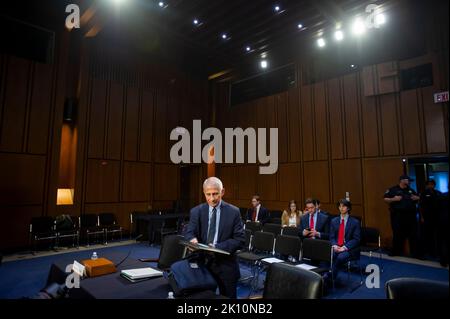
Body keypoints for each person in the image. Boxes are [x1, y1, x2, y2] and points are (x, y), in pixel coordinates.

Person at [184, 177, 245, 298]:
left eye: (216, 194)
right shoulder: (196, 211)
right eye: (208, 194)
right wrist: (192, 240)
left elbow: (240, 240)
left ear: (222, 192)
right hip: (202, 264)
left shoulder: (234, 212)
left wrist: (216, 247)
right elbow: (189, 232)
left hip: (226, 266)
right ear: (204, 192)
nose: (212, 198)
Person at [384, 175, 421, 257]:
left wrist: (417, 198)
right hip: (398, 215)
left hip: (410, 216)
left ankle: (416, 253)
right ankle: (396, 252)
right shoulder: (393, 189)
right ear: (402, 180)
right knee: (397, 234)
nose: (409, 182)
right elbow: (385, 199)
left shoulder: (411, 190)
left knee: (413, 234)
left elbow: (418, 198)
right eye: (408, 180)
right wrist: (394, 199)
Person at [330, 199, 361, 281]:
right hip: (337, 246)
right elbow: (332, 237)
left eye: (343, 206)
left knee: (340, 257)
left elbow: (356, 239)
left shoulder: (355, 222)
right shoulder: (334, 221)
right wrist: (335, 245)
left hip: (349, 248)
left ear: (348, 208)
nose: (341, 208)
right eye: (340, 206)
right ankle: (329, 276)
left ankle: (330, 277)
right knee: (329, 254)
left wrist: (344, 247)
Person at [419, 180, 441, 257]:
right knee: (427, 235)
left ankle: (435, 251)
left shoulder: (438, 193)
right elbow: (420, 206)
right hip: (426, 217)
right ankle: (427, 251)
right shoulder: (423, 193)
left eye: (432, 184)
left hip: (436, 217)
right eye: (429, 184)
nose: (431, 186)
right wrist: (421, 217)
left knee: (436, 235)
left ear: (434, 185)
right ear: (427, 185)